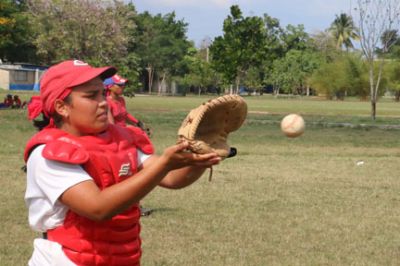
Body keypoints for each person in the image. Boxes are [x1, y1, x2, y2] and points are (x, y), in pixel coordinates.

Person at [24, 60, 221, 266]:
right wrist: (165, 164)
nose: (103, 102)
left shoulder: (120, 140)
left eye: (102, 93)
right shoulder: (49, 153)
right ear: (62, 107)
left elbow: (172, 179)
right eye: (91, 96)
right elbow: (97, 208)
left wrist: (201, 157)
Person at [104, 74, 153, 216]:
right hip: (116, 141)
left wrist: (138, 123)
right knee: (125, 174)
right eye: (119, 85)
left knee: (133, 172)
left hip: (125, 138)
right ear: (110, 87)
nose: (122, 87)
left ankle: (135, 205)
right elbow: (111, 125)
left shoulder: (121, 100)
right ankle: (130, 205)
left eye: (123, 85)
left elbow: (125, 115)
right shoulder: (107, 102)